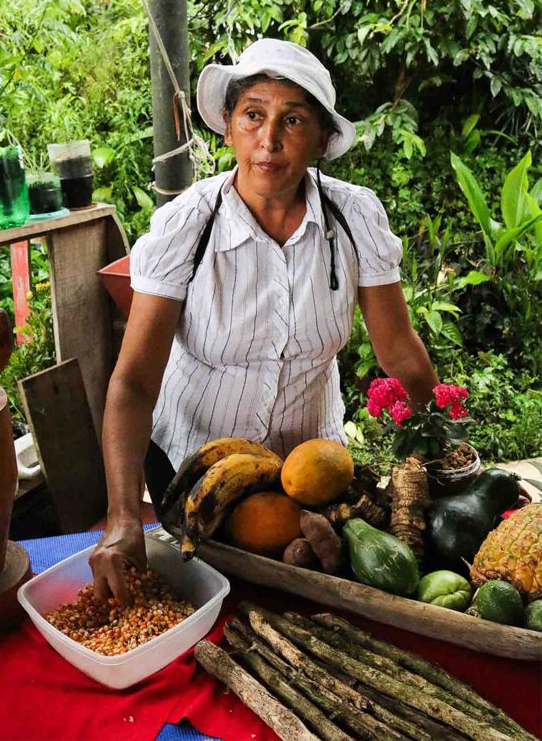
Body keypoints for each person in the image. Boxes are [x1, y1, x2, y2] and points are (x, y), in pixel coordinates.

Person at [89, 39, 439, 603]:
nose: (268, 140)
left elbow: (397, 350)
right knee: (216, 604)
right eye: (253, 115)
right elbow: (132, 384)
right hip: (195, 473)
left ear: (322, 142)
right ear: (228, 127)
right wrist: (124, 515)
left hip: (311, 471)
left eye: (293, 120)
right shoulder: (186, 228)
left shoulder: (354, 220)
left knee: (308, 602)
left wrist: (442, 442)